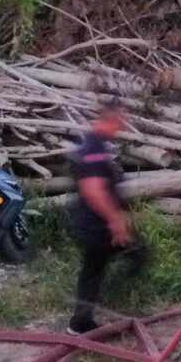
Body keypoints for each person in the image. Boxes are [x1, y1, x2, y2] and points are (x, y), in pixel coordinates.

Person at [66, 102, 145, 335]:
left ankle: (81, 322)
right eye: (119, 123)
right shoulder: (94, 147)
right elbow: (93, 189)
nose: (120, 128)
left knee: (94, 270)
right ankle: (96, 315)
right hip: (97, 226)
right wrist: (115, 221)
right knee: (135, 254)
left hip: (94, 224)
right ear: (109, 120)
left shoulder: (95, 144)